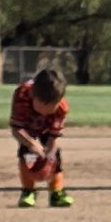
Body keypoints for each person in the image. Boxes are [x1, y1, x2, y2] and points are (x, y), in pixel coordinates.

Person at [9, 66, 72, 208]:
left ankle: (57, 192)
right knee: (26, 155)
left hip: (46, 129)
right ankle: (28, 191)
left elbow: (53, 136)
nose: (47, 111)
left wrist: (48, 156)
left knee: (55, 157)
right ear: (33, 95)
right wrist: (32, 145)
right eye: (43, 106)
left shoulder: (62, 107)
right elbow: (16, 129)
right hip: (27, 129)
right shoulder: (22, 95)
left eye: (52, 106)